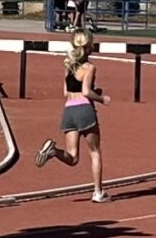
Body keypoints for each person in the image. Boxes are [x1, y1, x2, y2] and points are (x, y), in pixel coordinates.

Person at [34, 30, 112, 203]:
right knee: (95, 152)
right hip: (84, 110)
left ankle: (53, 152)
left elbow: (65, 92)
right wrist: (101, 98)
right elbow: (85, 91)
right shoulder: (89, 67)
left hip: (68, 111)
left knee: (73, 157)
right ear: (89, 46)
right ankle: (98, 192)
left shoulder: (68, 65)